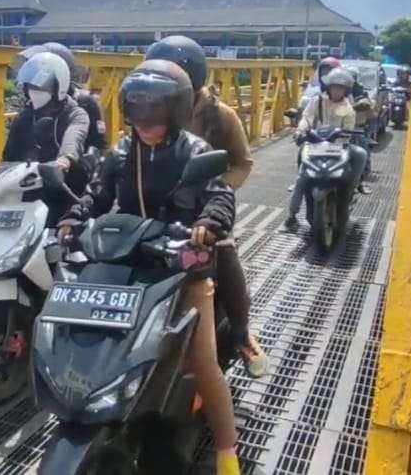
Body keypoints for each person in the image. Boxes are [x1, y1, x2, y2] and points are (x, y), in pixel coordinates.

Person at [58, 59, 243, 475]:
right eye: (136, 106)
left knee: (203, 359)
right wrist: (74, 217)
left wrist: (207, 223)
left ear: (175, 110)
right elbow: (98, 195)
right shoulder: (122, 152)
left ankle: (227, 451)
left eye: (154, 108)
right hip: (127, 263)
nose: (144, 118)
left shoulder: (194, 151)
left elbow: (220, 195)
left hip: (181, 267)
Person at [145, 35, 267, 378]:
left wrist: (215, 198)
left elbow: (241, 163)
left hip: (203, 211)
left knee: (225, 253)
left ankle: (242, 332)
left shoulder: (220, 116)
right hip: (156, 209)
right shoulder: (152, 109)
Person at [1, 51, 90, 225]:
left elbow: (74, 137)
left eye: (40, 88)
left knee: (60, 238)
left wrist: (65, 159)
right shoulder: (25, 117)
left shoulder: (76, 114)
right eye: (30, 87)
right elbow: (8, 156)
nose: (34, 93)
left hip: (66, 188)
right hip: (29, 186)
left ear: (59, 87)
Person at [285, 66, 369, 228]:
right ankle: (292, 215)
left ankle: (354, 184)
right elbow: (307, 118)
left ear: (345, 89)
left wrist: (345, 135)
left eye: (340, 87)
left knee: (361, 154)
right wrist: (301, 130)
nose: (337, 90)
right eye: (334, 87)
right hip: (316, 143)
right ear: (328, 87)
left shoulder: (348, 107)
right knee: (301, 177)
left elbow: (349, 130)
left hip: (339, 147)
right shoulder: (317, 101)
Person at [11, 43, 107, 151]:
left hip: (72, 164)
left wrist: (76, 161)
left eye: (43, 72)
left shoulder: (85, 102)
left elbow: (98, 146)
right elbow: (11, 154)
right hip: (36, 166)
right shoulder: (31, 108)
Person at [345, 65, 373, 191]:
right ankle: (303, 180)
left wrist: (362, 104)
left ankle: (360, 181)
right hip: (334, 127)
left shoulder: (359, 90)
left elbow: (367, 102)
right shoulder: (334, 90)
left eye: (352, 77)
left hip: (354, 127)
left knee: (363, 150)